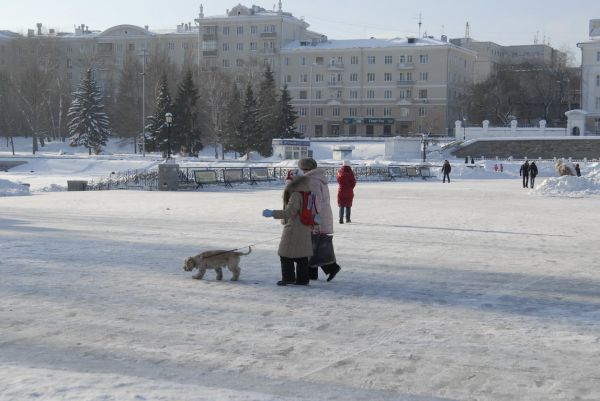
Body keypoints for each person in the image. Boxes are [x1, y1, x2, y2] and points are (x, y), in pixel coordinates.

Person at [262, 172, 313, 286]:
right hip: (305, 227)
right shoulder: (308, 194)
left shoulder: (296, 195)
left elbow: (289, 212)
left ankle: (288, 278)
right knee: (302, 256)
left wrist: (272, 213)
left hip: (294, 228)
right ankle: (303, 279)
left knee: (285, 254)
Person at [298, 157, 341, 282]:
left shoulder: (311, 180)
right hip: (323, 215)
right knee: (315, 246)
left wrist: (312, 219)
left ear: (305, 168)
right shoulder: (318, 178)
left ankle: (331, 267)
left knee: (311, 246)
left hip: (317, 217)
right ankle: (313, 272)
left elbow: (314, 202)